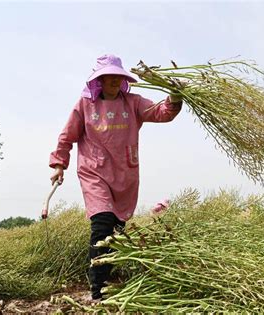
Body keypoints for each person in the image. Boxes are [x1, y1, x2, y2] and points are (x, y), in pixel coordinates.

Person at [49, 54, 183, 301]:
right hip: (94, 171)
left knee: (117, 232)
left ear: (123, 79)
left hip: (124, 174)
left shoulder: (133, 103)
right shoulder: (84, 105)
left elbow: (162, 112)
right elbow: (67, 136)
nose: (113, 80)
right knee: (102, 225)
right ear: (98, 80)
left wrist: (174, 96)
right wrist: (59, 164)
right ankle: (97, 289)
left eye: (117, 76)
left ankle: (107, 279)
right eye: (107, 76)